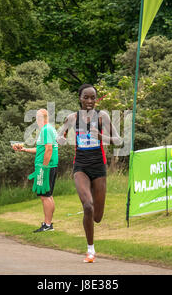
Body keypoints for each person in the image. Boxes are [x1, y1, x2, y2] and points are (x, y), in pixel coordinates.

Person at [57, 84, 122, 263]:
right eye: (86, 97)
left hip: (98, 167)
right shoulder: (72, 118)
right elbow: (59, 137)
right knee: (87, 206)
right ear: (80, 98)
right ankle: (90, 250)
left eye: (93, 98)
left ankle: (91, 221)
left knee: (97, 217)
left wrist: (101, 137)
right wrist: (62, 138)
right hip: (81, 167)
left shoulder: (103, 117)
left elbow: (118, 139)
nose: (90, 101)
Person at [12, 109, 58, 233]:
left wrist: (44, 166)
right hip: (49, 166)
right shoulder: (48, 129)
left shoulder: (46, 130)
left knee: (45, 196)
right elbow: (41, 149)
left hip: (46, 167)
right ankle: (48, 223)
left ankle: (47, 225)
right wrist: (24, 150)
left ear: (40, 118)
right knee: (48, 195)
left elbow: (49, 149)